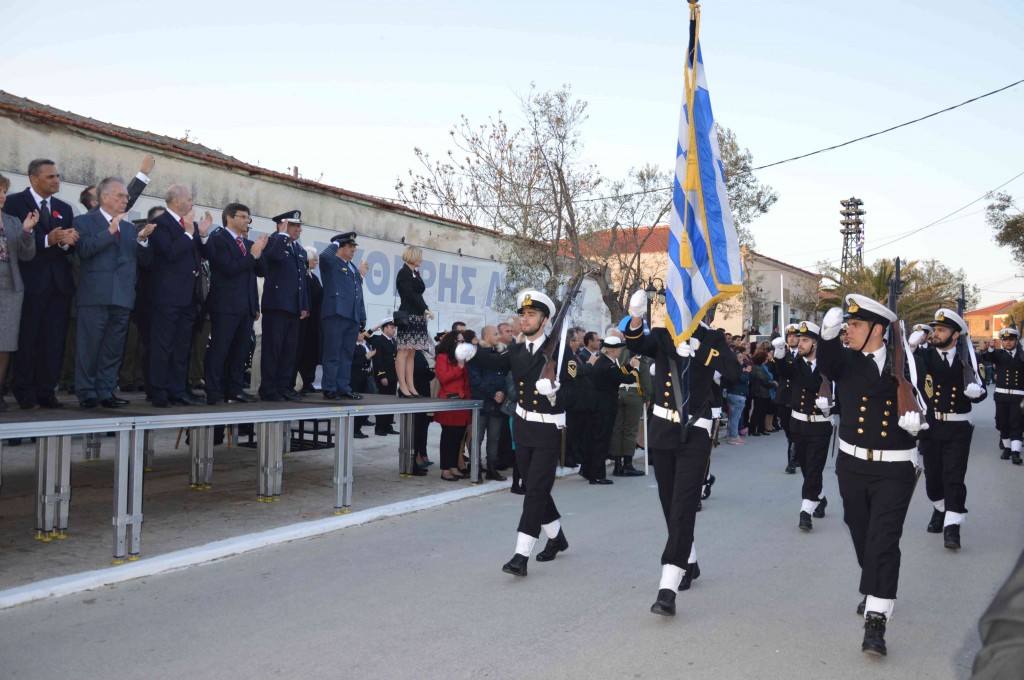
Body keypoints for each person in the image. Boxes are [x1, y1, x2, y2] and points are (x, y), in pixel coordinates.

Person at [816, 293, 928, 657]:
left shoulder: (908, 366)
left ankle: (877, 620)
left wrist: (916, 425)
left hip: (895, 467)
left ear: (878, 330)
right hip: (853, 466)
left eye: (857, 325)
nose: (850, 330)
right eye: (848, 325)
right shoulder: (845, 362)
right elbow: (828, 362)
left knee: (883, 540)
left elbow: (924, 408)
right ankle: (875, 583)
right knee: (861, 531)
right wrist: (827, 334)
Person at [623, 290, 740, 616]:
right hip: (663, 431)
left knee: (685, 505)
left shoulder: (714, 338)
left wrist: (702, 350)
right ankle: (689, 559)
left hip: (695, 432)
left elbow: (733, 371)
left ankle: (668, 586)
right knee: (669, 503)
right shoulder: (663, 335)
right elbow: (636, 343)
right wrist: (635, 316)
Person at [462, 290, 576, 577]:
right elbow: (497, 364)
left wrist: (556, 392)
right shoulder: (517, 350)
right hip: (523, 426)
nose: (525, 320)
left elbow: (579, 389)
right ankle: (557, 538)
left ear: (545, 320)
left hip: (549, 429)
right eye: (523, 315)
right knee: (533, 487)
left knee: (535, 490)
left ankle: (520, 555)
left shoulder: (560, 351)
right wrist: (472, 353)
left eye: (532, 315)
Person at [2, 159, 79, 409]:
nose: (56, 180)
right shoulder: (13, 203)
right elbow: (15, 242)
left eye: (57, 176)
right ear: (34, 178)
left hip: (58, 285)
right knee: (27, 338)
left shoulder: (63, 208)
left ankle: (47, 391)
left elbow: (66, 248)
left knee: (54, 340)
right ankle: (24, 391)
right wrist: (47, 239)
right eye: (50, 177)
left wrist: (67, 241)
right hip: (28, 283)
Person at [72, 177, 154, 408]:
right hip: (94, 296)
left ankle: (106, 390)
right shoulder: (83, 222)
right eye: (120, 196)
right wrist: (109, 231)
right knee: (89, 347)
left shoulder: (130, 228)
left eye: (126, 197)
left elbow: (143, 261)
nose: (125, 200)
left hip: (123, 297)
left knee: (114, 347)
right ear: (104, 197)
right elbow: (85, 250)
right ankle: (86, 391)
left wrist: (143, 240)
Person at [909, 308, 987, 549]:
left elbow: (980, 388)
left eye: (941, 330)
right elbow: (905, 373)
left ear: (955, 335)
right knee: (933, 478)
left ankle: (952, 526)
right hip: (932, 428)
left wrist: (977, 393)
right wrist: (909, 349)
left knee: (954, 477)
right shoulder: (925, 357)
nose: (935, 333)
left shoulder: (968, 360)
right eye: (935, 329)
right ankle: (939, 508)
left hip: (958, 428)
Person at [148, 184, 212, 407]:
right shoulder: (160, 224)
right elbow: (170, 253)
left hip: (189, 297)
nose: (192, 202)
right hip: (167, 297)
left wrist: (202, 234)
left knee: (182, 346)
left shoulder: (191, 226)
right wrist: (188, 233)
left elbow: (205, 254)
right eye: (189, 198)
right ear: (176, 201)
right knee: (163, 344)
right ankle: (159, 391)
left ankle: (178, 389)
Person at [203, 203, 266, 405]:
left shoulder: (247, 244)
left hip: (245, 306)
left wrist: (259, 252)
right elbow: (228, 268)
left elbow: (258, 272)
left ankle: (234, 388)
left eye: (249, 217)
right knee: (220, 348)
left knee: (240, 351)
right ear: (230, 218)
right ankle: (213, 390)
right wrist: (252, 255)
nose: (247, 221)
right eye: (243, 216)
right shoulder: (219, 239)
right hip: (225, 305)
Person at [772, 321, 832, 530]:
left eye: (805, 340)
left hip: (820, 426)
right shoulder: (795, 363)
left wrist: (831, 408)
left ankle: (805, 511)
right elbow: (783, 371)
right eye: (800, 340)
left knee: (814, 468)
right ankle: (820, 497)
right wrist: (779, 352)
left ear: (815, 343)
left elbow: (843, 393)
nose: (800, 344)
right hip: (798, 424)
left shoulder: (829, 367)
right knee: (807, 468)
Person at [259, 210, 309, 402]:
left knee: (289, 350)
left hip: (294, 307)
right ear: (283, 224)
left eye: (299, 226)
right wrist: (281, 235)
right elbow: (275, 258)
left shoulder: (298, 249)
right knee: (273, 349)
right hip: (277, 305)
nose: (299, 229)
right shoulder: (273, 242)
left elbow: (301, 280)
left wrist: (304, 304)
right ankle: (269, 388)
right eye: (294, 225)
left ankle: (283, 386)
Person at [0, 173, 38, 412]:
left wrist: (26, 231)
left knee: (5, 342)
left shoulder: (13, 222)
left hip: (11, 285)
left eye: (4, 191)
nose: (2, 196)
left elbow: (26, 255)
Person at [320, 232, 368, 400]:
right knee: (332, 352)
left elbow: (358, 293)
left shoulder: (352, 267)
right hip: (336, 312)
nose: (354, 249)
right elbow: (323, 256)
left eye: (354, 246)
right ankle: (330, 386)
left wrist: (362, 316)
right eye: (350, 246)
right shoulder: (331, 262)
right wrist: (335, 242)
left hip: (351, 316)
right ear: (340, 247)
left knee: (347, 353)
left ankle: (343, 386)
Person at [587, 335, 638, 485]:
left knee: (600, 439)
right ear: (613, 350)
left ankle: (595, 473)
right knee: (601, 440)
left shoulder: (606, 362)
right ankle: (597, 475)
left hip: (601, 406)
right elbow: (627, 378)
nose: (620, 351)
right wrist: (635, 368)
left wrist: (629, 366)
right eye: (619, 349)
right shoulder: (607, 365)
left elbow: (619, 373)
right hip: (604, 407)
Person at [468, 325, 509, 481]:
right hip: (482, 403)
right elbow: (475, 379)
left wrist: (502, 392)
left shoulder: (500, 354)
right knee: (477, 438)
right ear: (486, 336)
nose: (498, 336)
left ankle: (491, 468)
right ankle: (476, 469)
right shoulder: (476, 354)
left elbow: (506, 376)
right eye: (495, 334)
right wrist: (492, 393)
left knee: (494, 438)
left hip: (497, 404)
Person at [395, 245, 435, 397]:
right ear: (413, 256)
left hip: (417, 316)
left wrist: (424, 309)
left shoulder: (414, 273)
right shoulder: (404, 273)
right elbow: (410, 295)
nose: (422, 259)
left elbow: (418, 295)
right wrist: (424, 309)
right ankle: (402, 386)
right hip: (408, 315)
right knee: (403, 350)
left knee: (412, 352)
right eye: (420, 256)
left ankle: (410, 386)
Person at [435, 331, 473, 481]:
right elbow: (444, 378)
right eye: (459, 341)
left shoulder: (462, 357)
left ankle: (453, 466)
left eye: (463, 341)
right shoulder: (442, 357)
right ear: (451, 342)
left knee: (458, 438)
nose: (462, 344)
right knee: (448, 437)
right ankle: (445, 469)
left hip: (463, 402)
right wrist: (459, 367)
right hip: (450, 402)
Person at [610, 332, 648, 477]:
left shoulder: (618, 351)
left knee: (618, 429)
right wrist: (647, 394)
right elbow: (643, 374)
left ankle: (617, 465)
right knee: (630, 430)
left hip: (617, 392)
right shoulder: (638, 351)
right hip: (633, 393)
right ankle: (627, 464)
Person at [986, 327, 1024, 465]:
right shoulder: (999, 354)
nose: (1008, 342)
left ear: (1016, 341)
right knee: (1002, 423)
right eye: (1005, 340)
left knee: (1016, 423)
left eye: (1011, 340)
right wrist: (990, 346)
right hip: (1001, 395)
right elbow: (988, 357)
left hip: (1018, 395)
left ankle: (1015, 452)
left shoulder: (1022, 355)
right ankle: (1007, 448)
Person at [296, 246, 323, 393]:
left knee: (313, 351)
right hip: (306, 320)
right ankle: (301, 380)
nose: (316, 263)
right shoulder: (304, 276)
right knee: (304, 351)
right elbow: (313, 293)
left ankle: (309, 380)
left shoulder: (315, 277)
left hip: (315, 320)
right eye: (314, 260)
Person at [775, 324, 800, 472]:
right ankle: (796, 452)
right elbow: (779, 371)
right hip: (784, 398)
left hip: (797, 398)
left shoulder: (805, 354)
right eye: (789, 336)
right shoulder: (782, 354)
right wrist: (778, 355)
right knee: (788, 430)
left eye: (795, 336)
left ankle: (792, 461)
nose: (791, 339)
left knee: (796, 430)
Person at [350, 330, 376, 438]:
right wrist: (366, 357)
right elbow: (352, 363)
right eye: (359, 332)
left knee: (365, 402)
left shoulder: (364, 345)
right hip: (355, 378)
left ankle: (358, 427)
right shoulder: (352, 346)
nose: (362, 335)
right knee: (356, 405)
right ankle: (354, 429)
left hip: (365, 376)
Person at [723, 347, 750, 444]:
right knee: (735, 417)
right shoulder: (737, 368)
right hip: (737, 394)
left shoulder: (731, 368)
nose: (742, 359)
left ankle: (732, 434)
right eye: (739, 358)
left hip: (733, 393)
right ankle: (733, 436)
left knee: (733, 416)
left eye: (742, 357)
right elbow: (742, 379)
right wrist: (746, 372)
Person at [748, 350, 774, 436]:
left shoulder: (762, 367)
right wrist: (773, 384)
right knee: (757, 412)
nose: (767, 359)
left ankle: (761, 429)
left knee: (763, 412)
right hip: (759, 393)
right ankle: (752, 429)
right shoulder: (757, 368)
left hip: (764, 392)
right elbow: (763, 380)